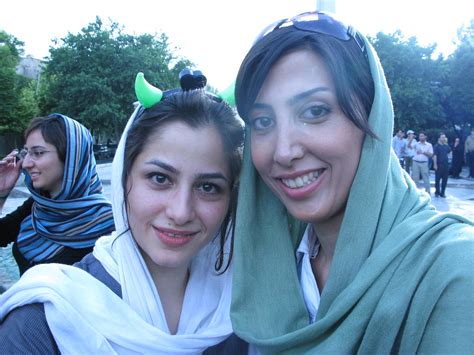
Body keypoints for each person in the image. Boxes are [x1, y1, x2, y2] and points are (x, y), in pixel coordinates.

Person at [231, 11, 474, 353]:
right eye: (263, 121)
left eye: (314, 112)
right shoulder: (270, 264)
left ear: (373, 115)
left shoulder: (453, 270)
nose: (283, 152)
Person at [0, 70, 246, 353]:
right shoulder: (40, 324)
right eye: (160, 178)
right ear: (123, 178)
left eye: (208, 187)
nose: (180, 212)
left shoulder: (245, 313)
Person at [0, 114, 115, 275]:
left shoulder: (110, 225)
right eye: (26, 152)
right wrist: (2, 191)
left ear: (71, 158)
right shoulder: (39, 206)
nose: (25, 163)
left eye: (38, 153)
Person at [433, 133, 451, 198]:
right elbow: (434, 156)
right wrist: (435, 164)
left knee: (445, 180)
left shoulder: (446, 146)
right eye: (442, 137)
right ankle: (437, 191)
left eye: (444, 137)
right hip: (439, 165)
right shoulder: (436, 146)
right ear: (439, 138)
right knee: (437, 180)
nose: (444, 138)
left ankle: (443, 192)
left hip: (446, 165)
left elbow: (450, 152)